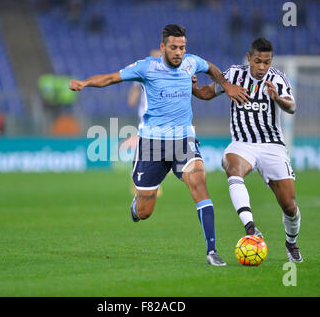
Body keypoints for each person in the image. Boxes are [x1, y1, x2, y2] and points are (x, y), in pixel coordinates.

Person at [69, 24, 249, 266]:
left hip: (183, 140)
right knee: (145, 212)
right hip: (152, 145)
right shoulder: (146, 67)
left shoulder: (191, 62)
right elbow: (111, 78)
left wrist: (226, 85)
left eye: (182, 47)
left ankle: (212, 250)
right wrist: (85, 83)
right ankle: (137, 206)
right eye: (173, 47)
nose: (178, 52)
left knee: (199, 183)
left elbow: (212, 69)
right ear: (163, 47)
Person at [192, 38, 303, 262]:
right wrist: (191, 87)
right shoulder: (233, 75)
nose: (262, 67)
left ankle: (291, 243)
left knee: (289, 206)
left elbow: (291, 107)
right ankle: (251, 228)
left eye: (267, 62)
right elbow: (206, 93)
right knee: (232, 166)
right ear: (248, 58)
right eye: (258, 61)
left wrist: (278, 99)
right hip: (242, 143)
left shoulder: (278, 79)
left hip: (272, 146)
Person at [126, 49, 163, 197]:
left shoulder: (165, 75)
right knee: (144, 151)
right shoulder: (145, 72)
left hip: (160, 118)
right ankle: (139, 182)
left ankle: (148, 183)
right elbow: (135, 89)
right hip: (146, 118)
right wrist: (133, 97)